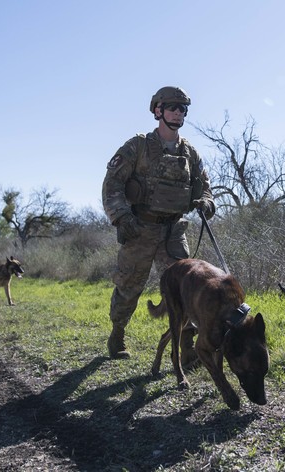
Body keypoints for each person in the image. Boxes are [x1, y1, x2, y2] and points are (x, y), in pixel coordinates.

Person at [102, 86, 215, 360]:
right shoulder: (137, 146)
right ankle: (117, 334)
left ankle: (187, 348)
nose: (178, 113)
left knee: (185, 289)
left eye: (182, 109)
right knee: (129, 285)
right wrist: (121, 217)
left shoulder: (190, 153)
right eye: (172, 107)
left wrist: (206, 204)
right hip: (139, 228)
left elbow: (205, 188)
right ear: (158, 110)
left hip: (174, 231)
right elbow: (112, 183)